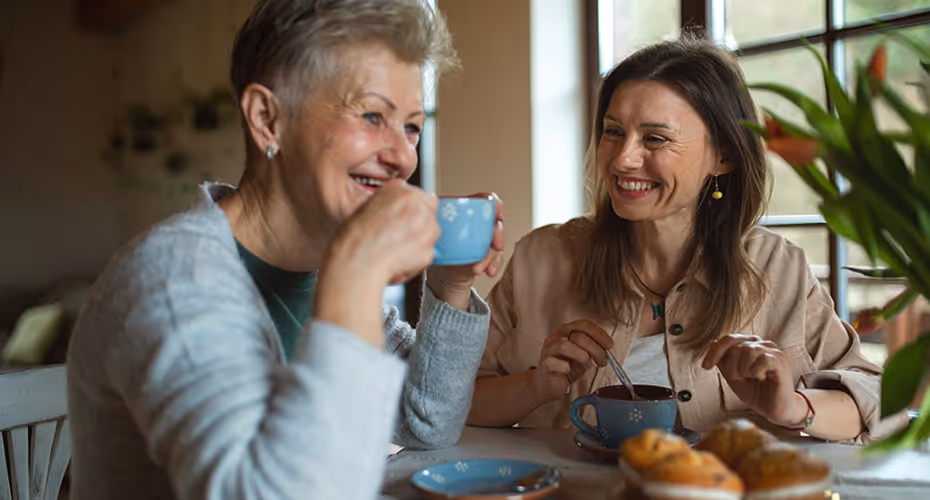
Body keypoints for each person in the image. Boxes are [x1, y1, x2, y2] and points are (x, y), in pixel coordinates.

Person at [67, 1, 506, 499]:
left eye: (411, 126)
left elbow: (425, 422)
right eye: (371, 115)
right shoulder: (173, 280)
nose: (406, 156)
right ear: (267, 119)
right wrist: (356, 275)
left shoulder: (315, 269)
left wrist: (451, 284)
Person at [467, 37, 904, 444]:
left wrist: (795, 408)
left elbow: (875, 399)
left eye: (655, 138)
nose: (623, 159)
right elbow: (459, 401)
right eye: (613, 131)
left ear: (724, 156)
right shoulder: (540, 257)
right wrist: (536, 385)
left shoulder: (777, 266)